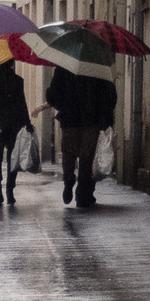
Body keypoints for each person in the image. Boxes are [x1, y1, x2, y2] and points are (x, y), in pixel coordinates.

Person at [44, 65, 117, 208]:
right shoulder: (98, 67)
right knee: (86, 158)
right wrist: (105, 118)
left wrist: (64, 106)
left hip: (70, 119)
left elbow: (52, 95)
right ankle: (81, 194)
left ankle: (69, 179)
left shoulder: (64, 66)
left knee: (68, 153)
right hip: (92, 119)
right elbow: (111, 96)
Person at [0, 60, 32, 206]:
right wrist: (27, 122)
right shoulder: (17, 80)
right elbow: (22, 103)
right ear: (11, 63)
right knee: (12, 156)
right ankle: (10, 189)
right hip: (14, 123)